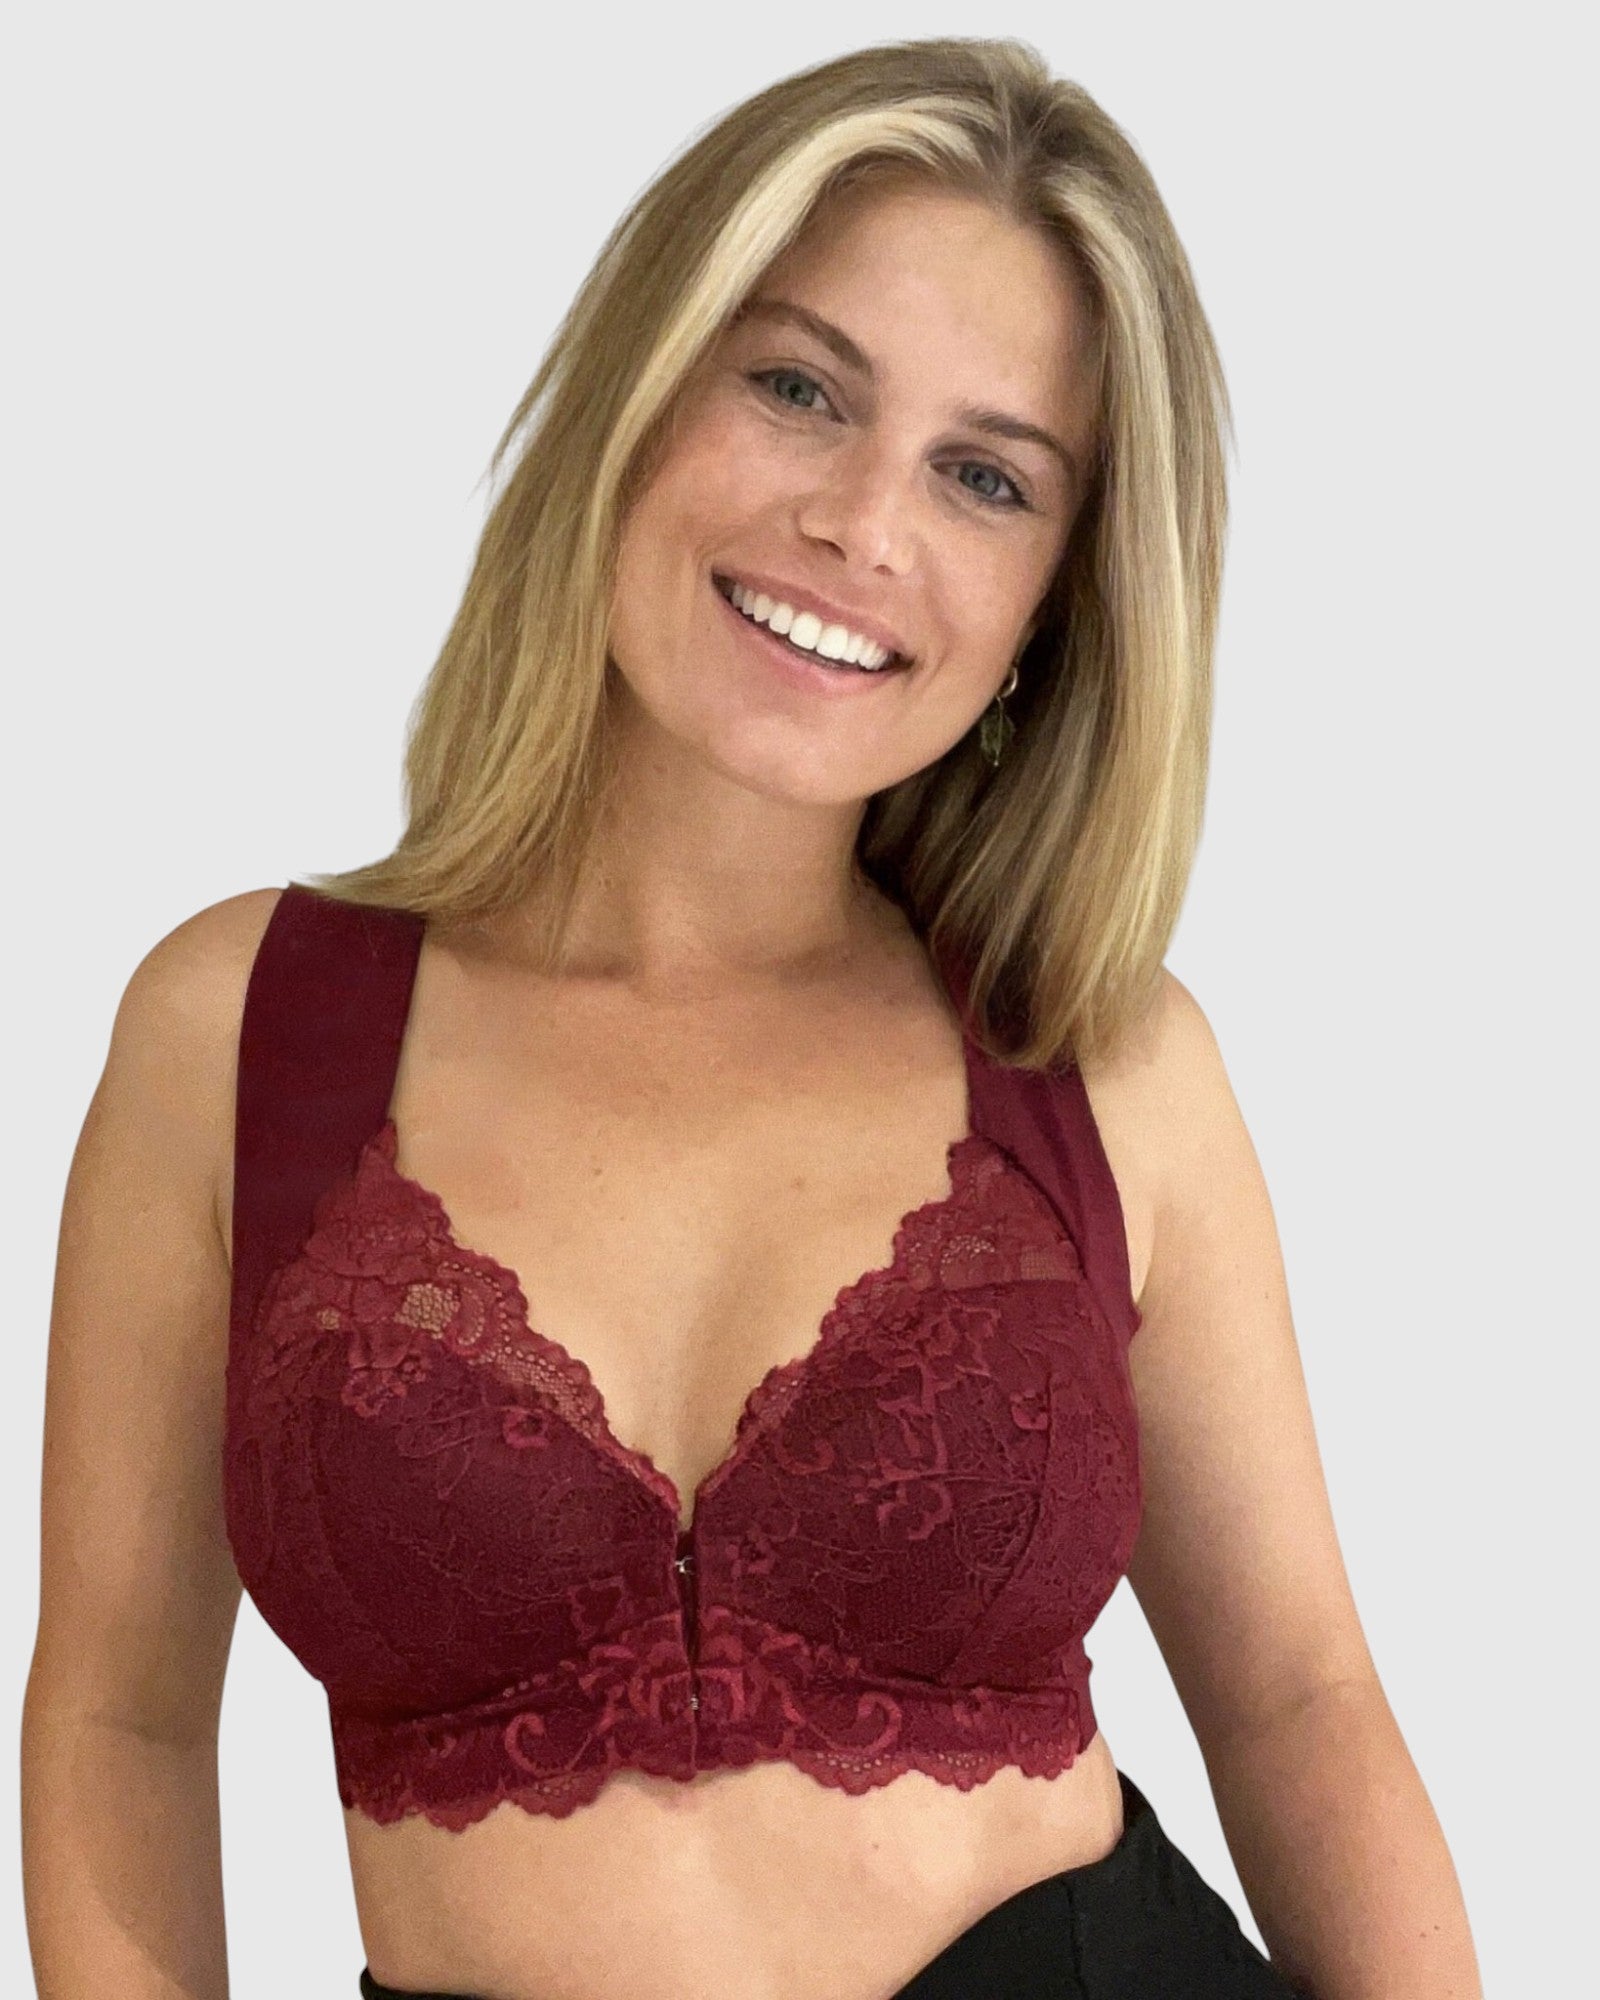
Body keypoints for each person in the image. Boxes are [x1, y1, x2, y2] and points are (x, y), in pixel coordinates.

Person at [21, 34, 1483, 2000]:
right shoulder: (241, 1031)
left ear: (1049, 605)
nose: (865, 525)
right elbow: (119, 1721)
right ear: (641, 390)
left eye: (984, 476)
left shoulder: (1095, 1060)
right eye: (797, 387)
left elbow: (1304, 1698)